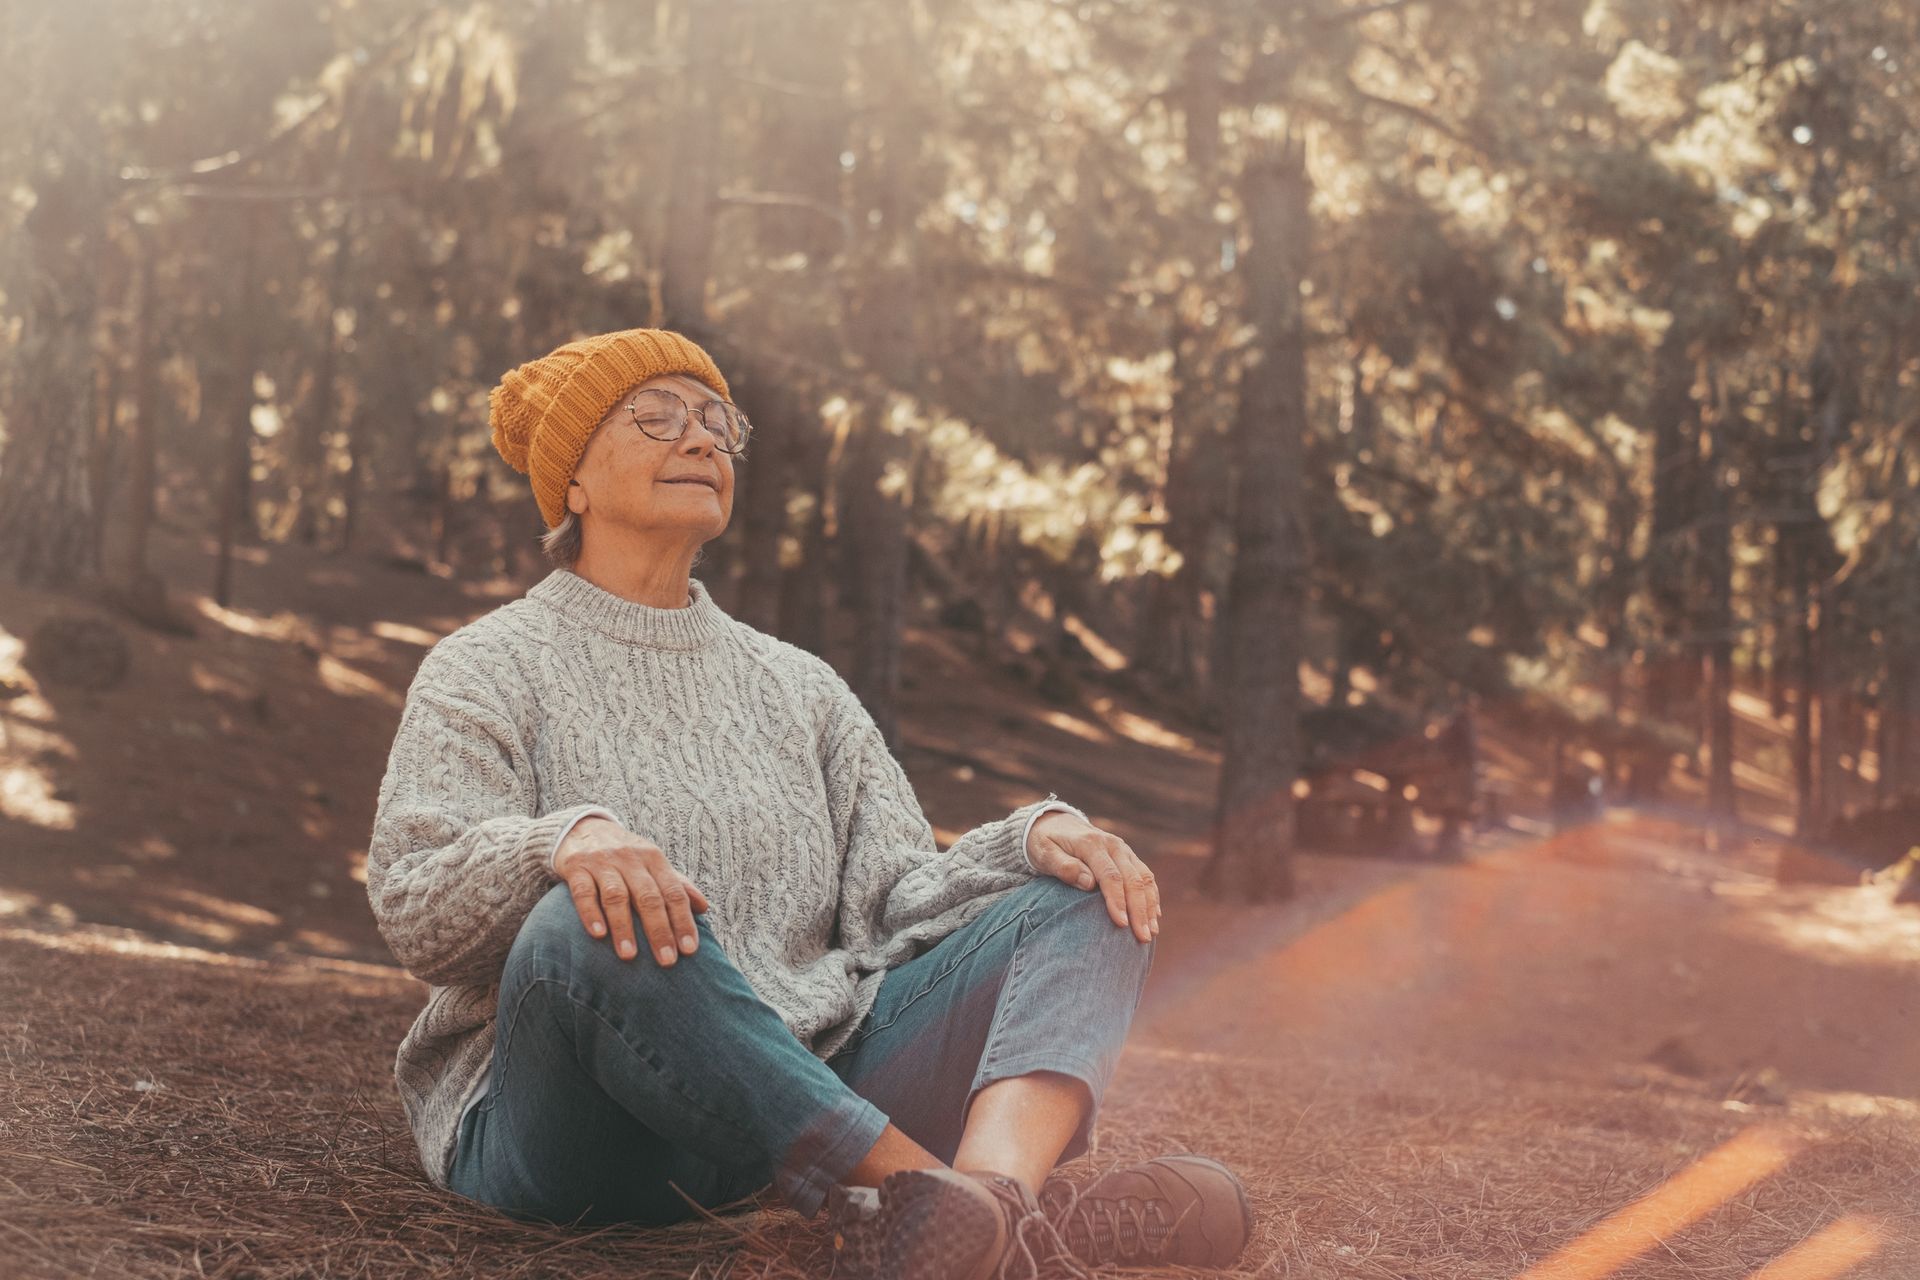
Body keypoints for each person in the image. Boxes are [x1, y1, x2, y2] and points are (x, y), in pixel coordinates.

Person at [365, 328, 1253, 1279]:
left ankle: (988, 1208)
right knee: (590, 922)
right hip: (586, 1132)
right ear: (571, 482)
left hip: (814, 1091)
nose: (701, 441)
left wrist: (1034, 839)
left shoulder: (801, 685)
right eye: (656, 419)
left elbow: (896, 902)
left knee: (1091, 892)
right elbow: (415, 905)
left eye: (717, 422)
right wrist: (561, 842)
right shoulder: (486, 666)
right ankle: (941, 1201)